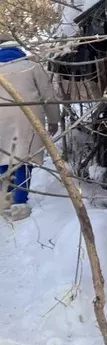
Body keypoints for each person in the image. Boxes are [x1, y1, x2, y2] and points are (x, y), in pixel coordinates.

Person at [0, 37, 59, 220]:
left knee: (3, 158)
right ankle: (19, 205)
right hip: (27, 116)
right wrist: (54, 120)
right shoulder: (31, 66)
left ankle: (6, 201)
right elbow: (47, 94)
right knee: (23, 158)